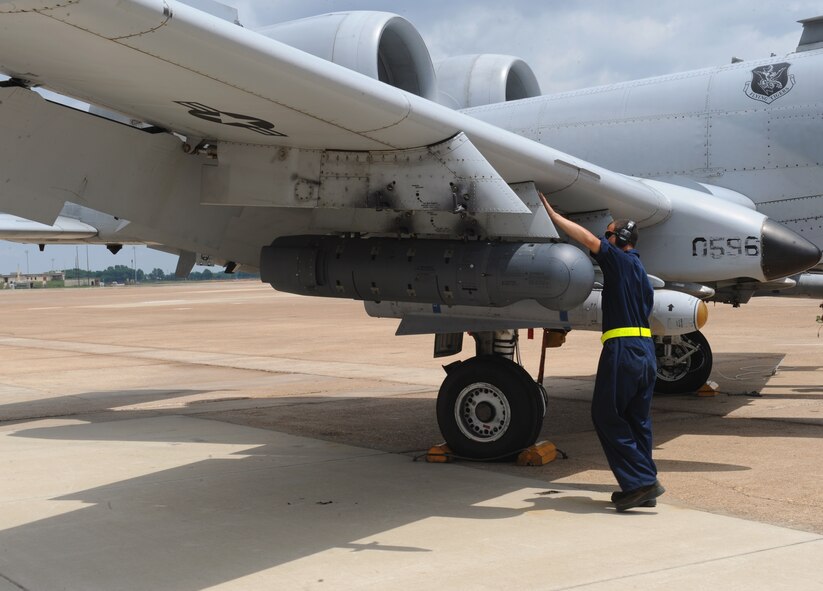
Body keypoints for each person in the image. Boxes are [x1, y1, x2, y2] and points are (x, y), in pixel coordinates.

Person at [539, 191, 664, 511]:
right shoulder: (642, 274)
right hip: (646, 351)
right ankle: (644, 482)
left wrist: (554, 217)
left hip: (622, 348)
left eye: (608, 233)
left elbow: (586, 240)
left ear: (618, 237)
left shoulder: (618, 261)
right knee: (637, 420)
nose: (603, 237)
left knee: (606, 415)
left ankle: (640, 483)